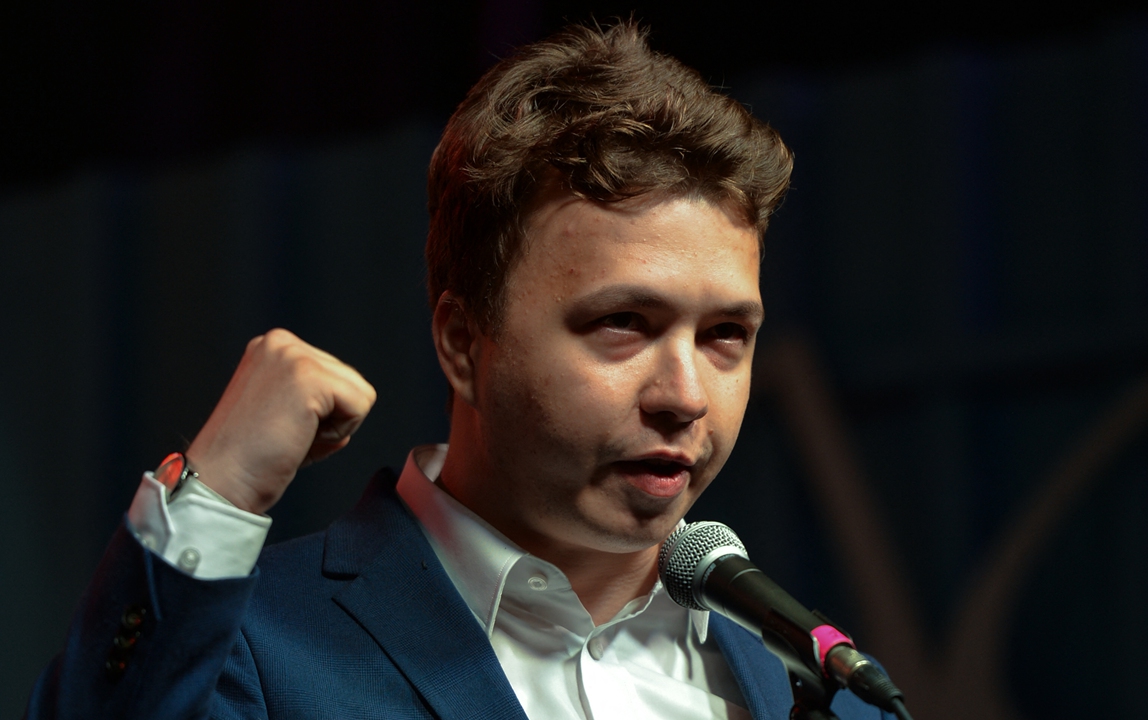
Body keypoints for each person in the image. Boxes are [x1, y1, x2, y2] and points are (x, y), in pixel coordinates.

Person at [26, 22, 891, 720]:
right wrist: (212, 500)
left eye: (725, 336)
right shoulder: (254, 645)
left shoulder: (812, 691)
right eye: (622, 324)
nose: (686, 397)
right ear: (461, 341)